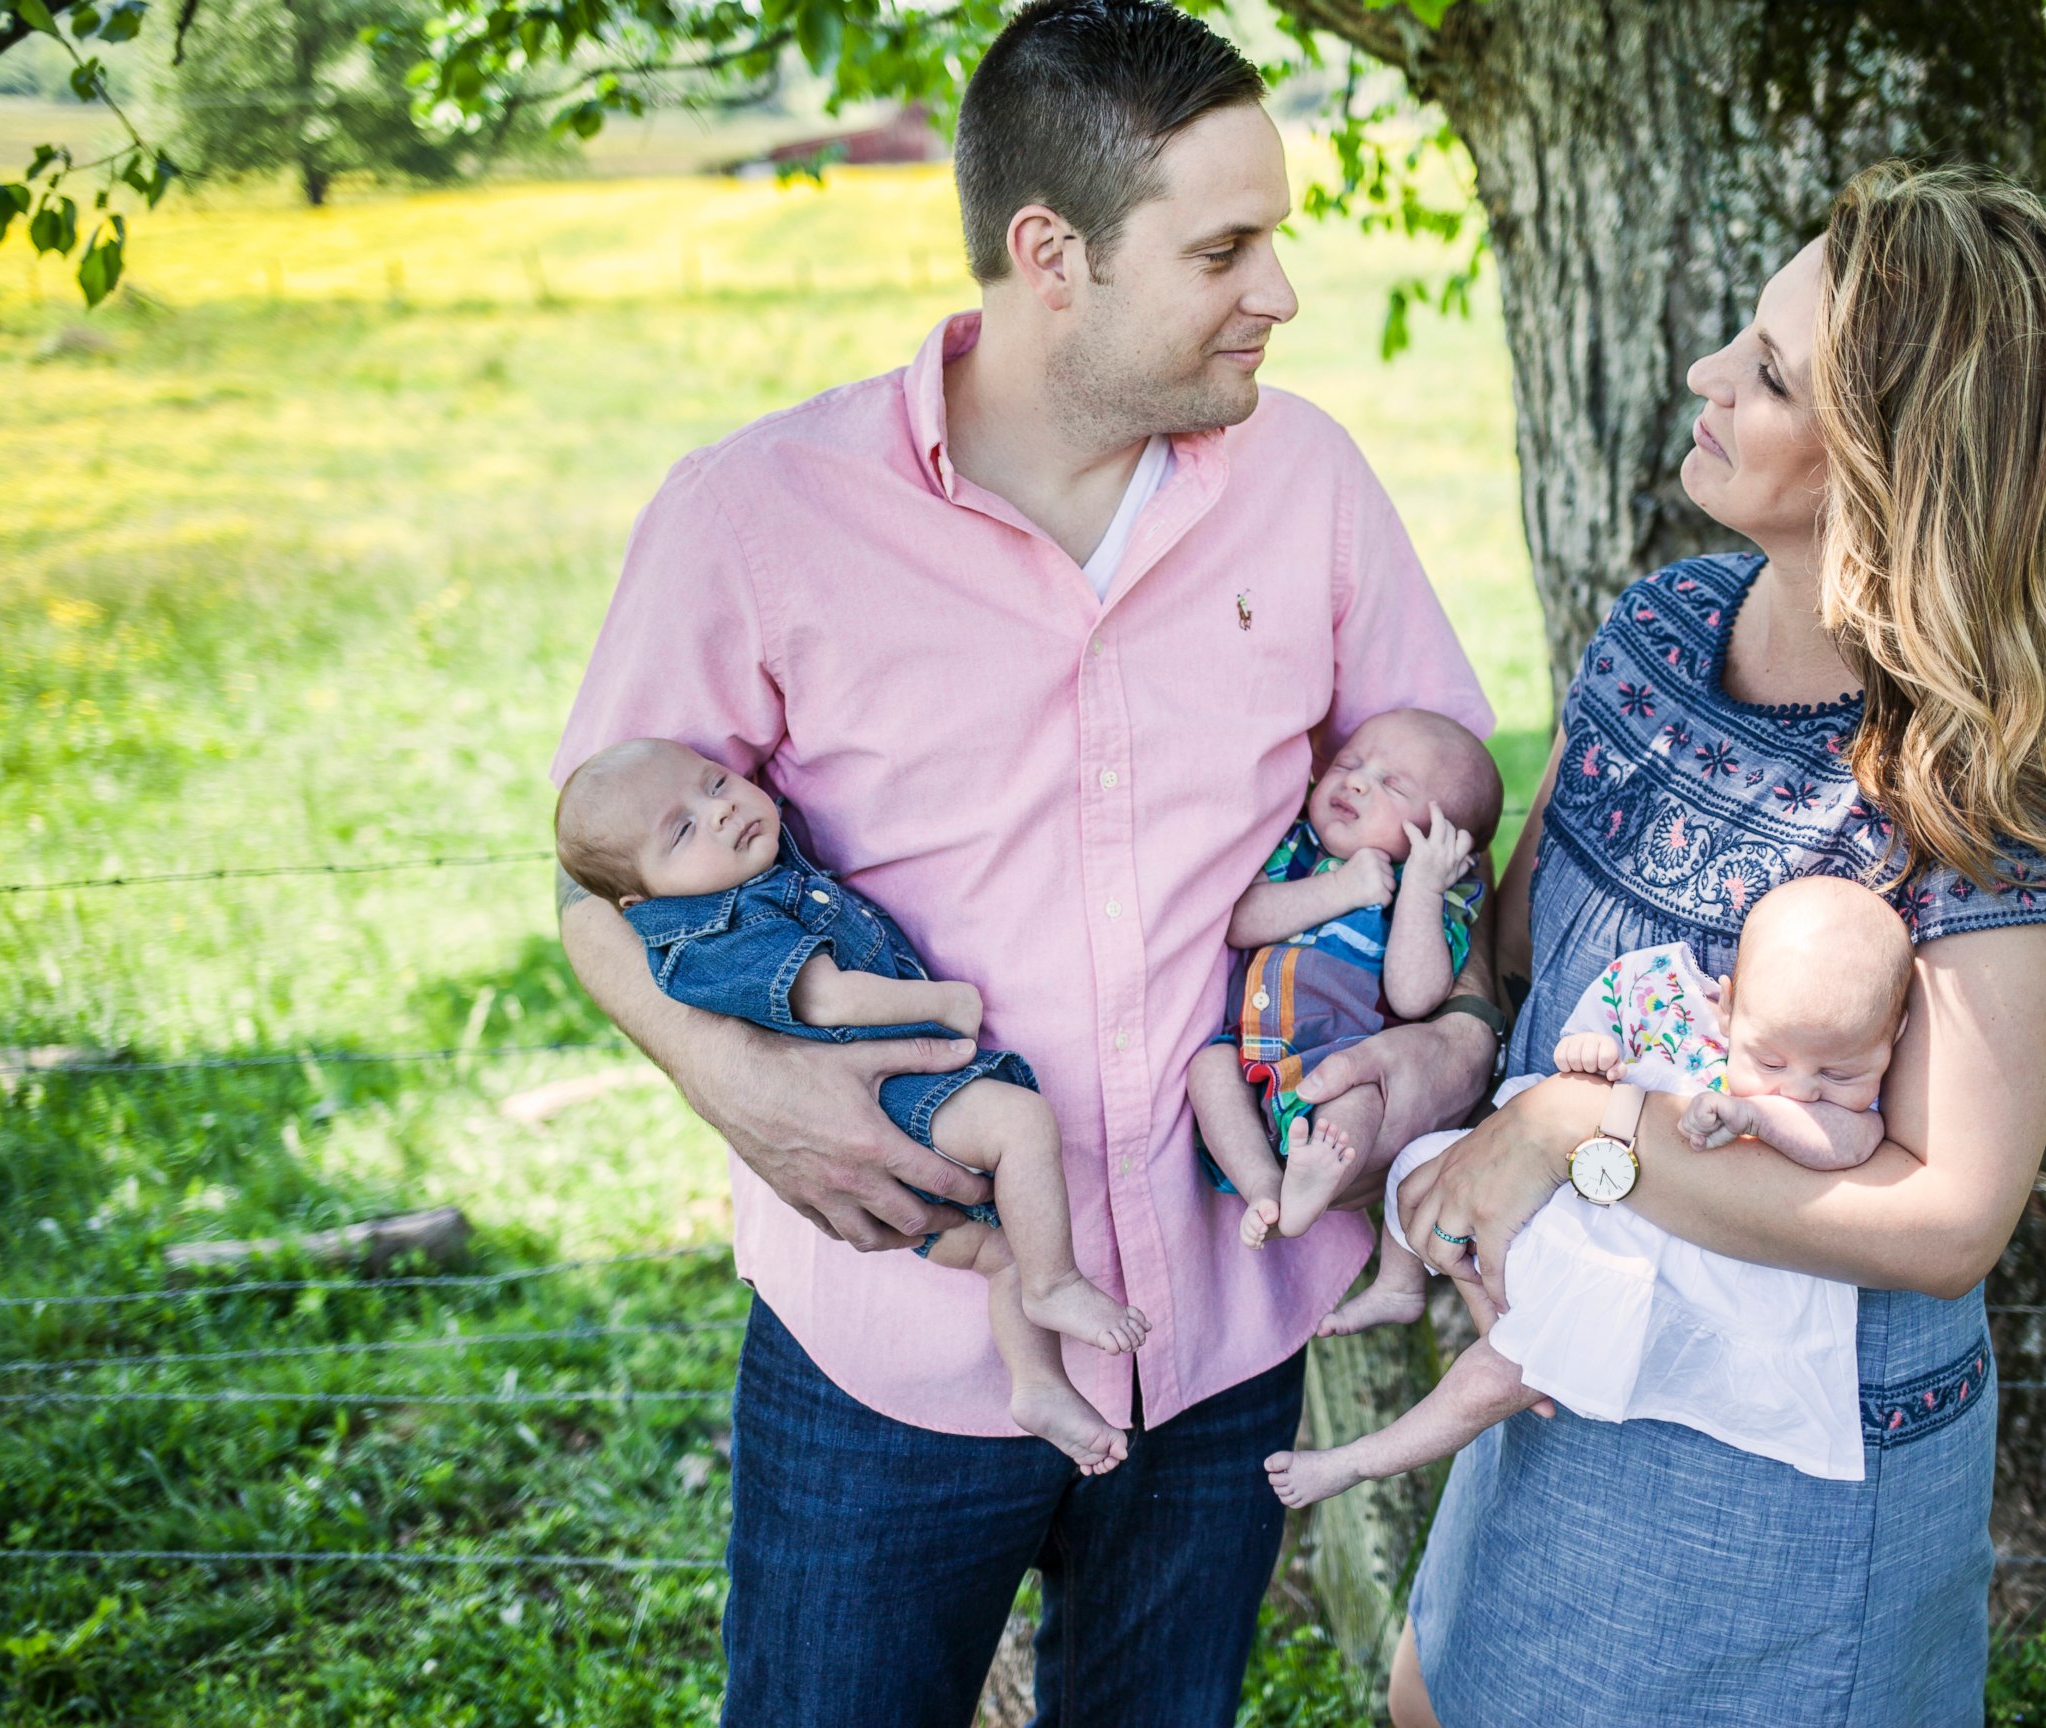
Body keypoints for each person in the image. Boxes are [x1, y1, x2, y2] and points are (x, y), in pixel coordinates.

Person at [547, 3, 1499, 1721]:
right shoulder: (752, 516)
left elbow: (1449, 817)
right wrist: (732, 1085)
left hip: (1216, 1339)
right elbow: (595, 885)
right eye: (1224, 248)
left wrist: (1444, 1040)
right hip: (893, 1336)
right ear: (1050, 253)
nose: (1276, 292)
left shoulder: (1311, 484)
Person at [1388, 161, 2046, 1726]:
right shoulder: (1654, 637)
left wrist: (1577, 1131)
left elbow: (1947, 1218)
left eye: (1766, 373)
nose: (1707, 376)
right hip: (1560, 1387)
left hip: (1783, 1471)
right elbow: (1510, 966)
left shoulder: (1979, 787)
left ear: (1893, 470)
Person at [555, 737, 1151, 1472]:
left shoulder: (755, 873)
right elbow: (827, 993)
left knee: (1001, 1258)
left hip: (892, 1106)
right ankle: (1059, 1283)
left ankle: (1037, 1386)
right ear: (639, 903)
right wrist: (942, 1000)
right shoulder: (726, 928)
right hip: (878, 1098)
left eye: (716, 784)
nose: (718, 814)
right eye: (680, 831)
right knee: (1019, 1123)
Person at [1264, 876, 1912, 1510]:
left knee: (1501, 1376)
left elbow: (1851, 1141)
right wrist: (1591, 1052)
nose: (1797, 1089)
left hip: (1633, 1269)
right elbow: (1586, 1048)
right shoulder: (1666, 1003)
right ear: (1728, 1004)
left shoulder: (1831, 1109)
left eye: (1839, 1074)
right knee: (1418, 1165)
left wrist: (1758, 1117)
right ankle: (1399, 1285)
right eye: (1770, 1063)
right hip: (1564, 1195)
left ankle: (1358, 1461)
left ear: (1895, 1037)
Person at [1186, 707, 1501, 1249]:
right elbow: (1240, 921)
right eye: (1349, 762)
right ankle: (1264, 1183)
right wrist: (1343, 890)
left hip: (1344, 1063)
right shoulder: (1296, 849)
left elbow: (1415, 992)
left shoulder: (1427, 895)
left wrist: (1422, 889)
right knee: (1207, 1070)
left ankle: (1315, 1179)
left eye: (1391, 785)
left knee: (1360, 1098)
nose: (1355, 779)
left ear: (1440, 838)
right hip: (1249, 1057)